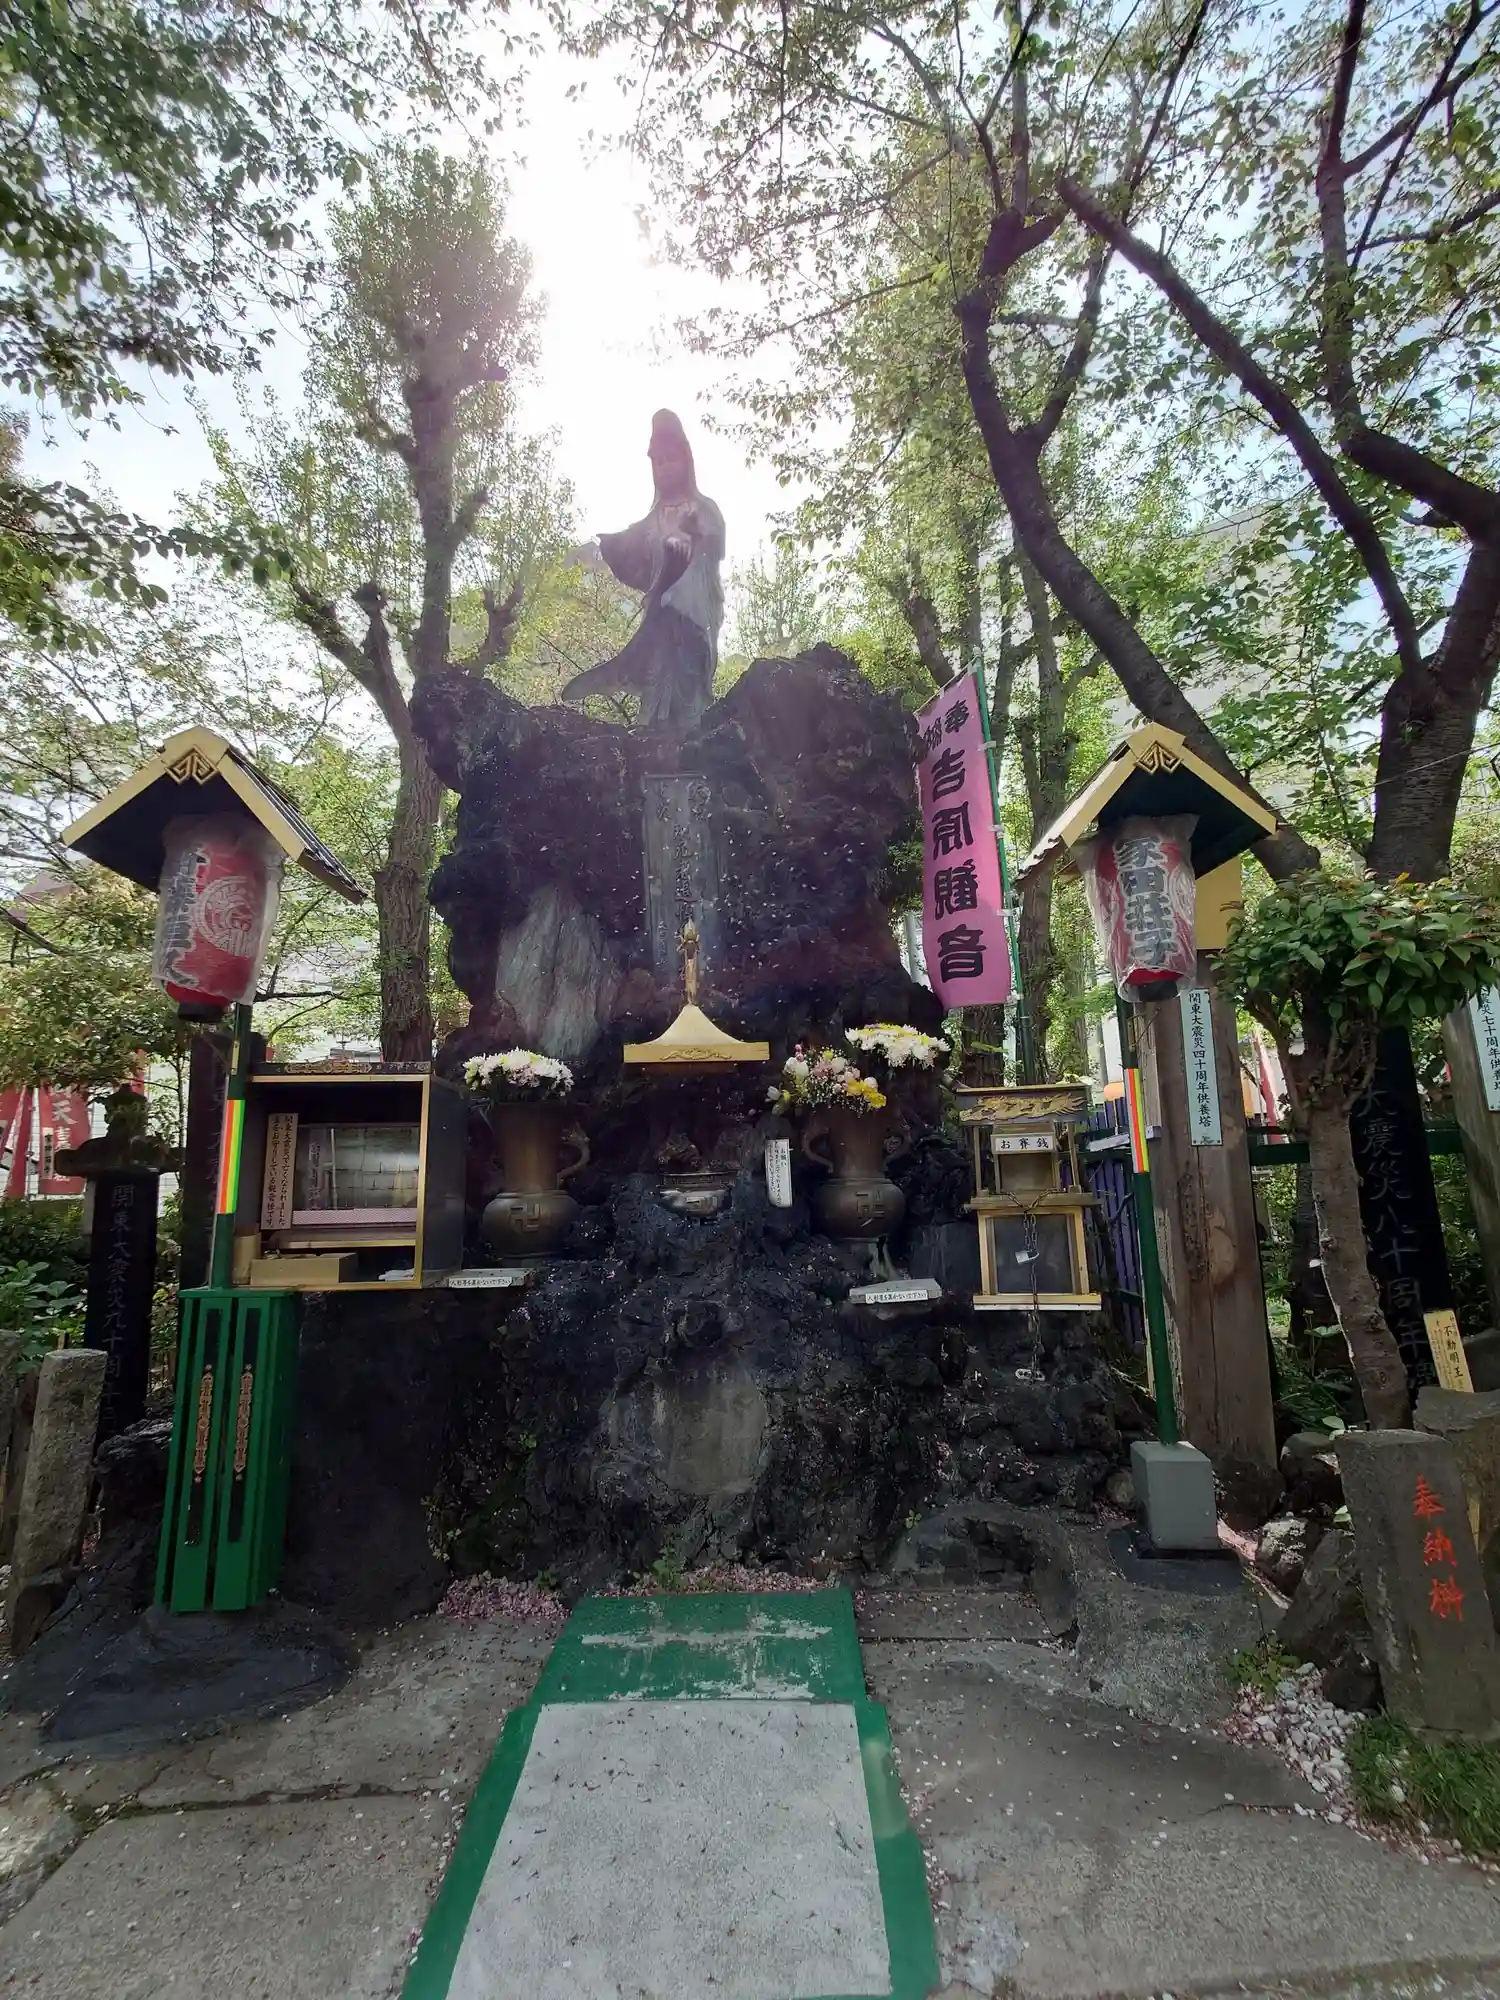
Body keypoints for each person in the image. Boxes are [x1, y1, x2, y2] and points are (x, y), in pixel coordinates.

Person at [561, 410, 726, 731]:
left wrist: (694, 535)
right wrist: (613, 544)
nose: (665, 467)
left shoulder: (705, 509)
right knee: (657, 680)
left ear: (686, 459)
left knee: (689, 689)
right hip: (661, 615)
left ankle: (690, 737)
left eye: (671, 458)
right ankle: (653, 732)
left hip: (695, 617)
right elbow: (633, 552)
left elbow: (715, 544)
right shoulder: (651, 521)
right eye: (658, 461)